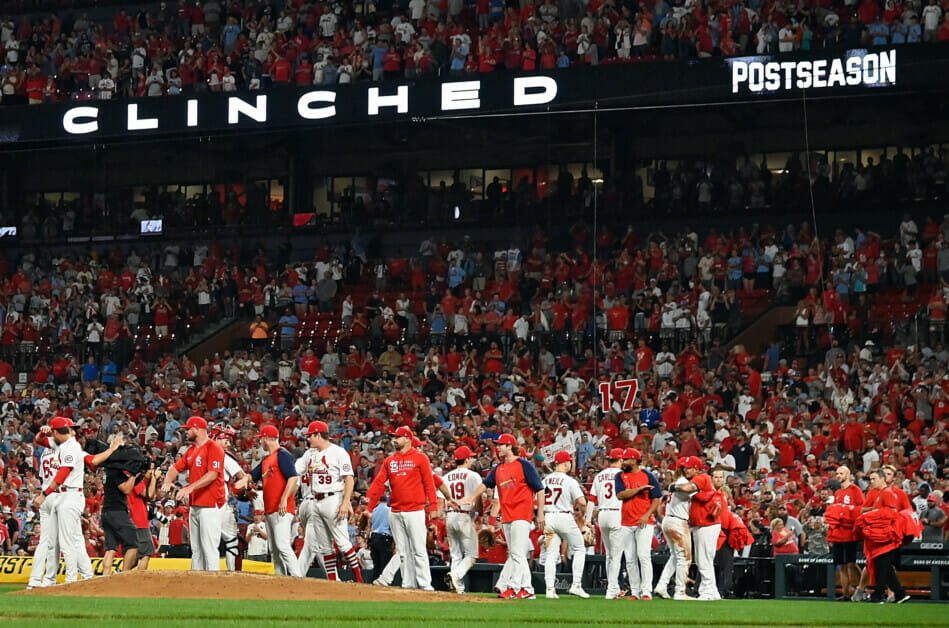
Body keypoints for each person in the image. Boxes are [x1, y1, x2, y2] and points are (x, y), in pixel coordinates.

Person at [28, 422, 123, 587]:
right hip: (60, 494)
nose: (74, 432)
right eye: (71, 429)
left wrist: (43, 433)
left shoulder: (56, 447)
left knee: (56, 541)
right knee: (68, 540)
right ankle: (76, 577)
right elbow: (91, 461)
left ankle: (46, 579)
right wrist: (111, 449)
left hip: (59, 494)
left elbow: (39, 440)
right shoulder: (67, 447)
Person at [466, 433, 545, 600]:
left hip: (522, 514)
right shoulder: (499, 468)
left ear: (510, 446)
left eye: (501, 444)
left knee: (517, 553)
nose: (498, 447)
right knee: (516, 553)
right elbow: (485, 484)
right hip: (507, 516)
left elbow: (540, 489)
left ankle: (513, 587)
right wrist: (471, 497)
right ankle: (527, 589)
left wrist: (540, 513)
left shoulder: (524, 465)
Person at [366, 426, 439, 590]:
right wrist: (369, 506)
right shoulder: (389, 461)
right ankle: (408, 583)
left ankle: (425, 584)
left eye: (397, 437)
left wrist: (434, 506)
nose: (394, 440)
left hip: (415, 510)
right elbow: (379, 483)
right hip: (395, 511)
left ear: (407, 438)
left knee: (419, 549)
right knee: (403, 551)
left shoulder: (420, 458)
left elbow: (429, 483)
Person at [295, 420, 362, 582]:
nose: (308, 439)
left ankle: (360, 580)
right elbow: (295, 470)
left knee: (343, 543)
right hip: (315, 501)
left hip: (333, 499)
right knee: (325, 547)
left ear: (318, 435)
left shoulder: (338, 452)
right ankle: (333, 582)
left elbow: (349, 479)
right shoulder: (310, 453)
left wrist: (345, 503)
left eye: (310, 436)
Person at [161, 416, 227, 571]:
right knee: (196, 549)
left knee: (209, 548)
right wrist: (168, 480)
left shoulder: (213, 447)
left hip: (211, 504)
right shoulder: (191, 450)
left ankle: (213, 581)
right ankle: (196, 581)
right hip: (195, 504)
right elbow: (175, 468)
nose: (186, 432)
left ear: (197, 429)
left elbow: (212, 474)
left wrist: (189, 488)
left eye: (188, 429)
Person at [241, 424, 301, 577]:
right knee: (274, 549)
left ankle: (298, 578)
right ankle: (280, 579)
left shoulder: (282, 454)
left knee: (282, 545)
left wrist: (284, 499)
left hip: (282, 509)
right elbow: (252, 476)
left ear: (266, 438)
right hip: (270, 509)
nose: (260, 441)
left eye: (261, 438)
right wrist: (245, 484)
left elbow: (293, 478)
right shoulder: (267, 459)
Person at [854, 470, 912, 604]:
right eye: (870, 479)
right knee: (883, 567)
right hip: (880, 536)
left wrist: (874, 514)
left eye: (874, 479)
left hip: (886, 537)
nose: (871, 482)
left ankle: (879, 595)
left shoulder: (887, 493)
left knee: (883, 567)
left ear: (882, 479)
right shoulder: (880, 493)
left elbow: (892, 513)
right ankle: (898, 594)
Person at [541, 450, 590, 599]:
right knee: (579, 548)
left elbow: (538, 499)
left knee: (551, 555)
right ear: (565, 463)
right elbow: (582, 502)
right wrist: (584, 516)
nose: (570, 464)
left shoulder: (545, 480)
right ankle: (576, 585)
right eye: (569, 461)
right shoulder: (569, 481)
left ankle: (550, 589)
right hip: (564, 516)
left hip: (549, 517)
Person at [616, 447, 662, 601]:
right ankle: (635, 591)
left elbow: (656, 498)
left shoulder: (648, 475)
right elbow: (620, 495)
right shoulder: (620, 476)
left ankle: (646, 591)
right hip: (626, 521)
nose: (623, 462)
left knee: (643, 556)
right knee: (630, 559)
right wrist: (639, 489)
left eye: (626, 459)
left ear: (635, 460)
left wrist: (647, 515)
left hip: (644, 521)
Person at [654, 456, 701, 600]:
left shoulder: (677, 481)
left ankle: (662, 585)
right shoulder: (683, 482)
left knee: (675, 556)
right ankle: (680, 591)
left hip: (669, 520)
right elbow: (694, 491)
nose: (686, 470)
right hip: (678, 522)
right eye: (685, 468)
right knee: (684, 558)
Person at [442, 445, 483, 594]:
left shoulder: (447, 476)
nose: (471, 460)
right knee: (472, 555)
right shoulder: (473, 475)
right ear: (466, 459)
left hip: (450, 515)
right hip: (464, 515)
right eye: (470, 458)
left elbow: (442, 499)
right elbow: (478, 498)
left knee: (456, 554)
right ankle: (455, 575)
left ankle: (457, 588)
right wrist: (480, 513)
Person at [586, 447, 625, 599]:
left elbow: (591, 500)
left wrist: (588, 520)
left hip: (603, 515)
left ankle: (613, 586)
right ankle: (612, 588)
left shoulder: (600, 475)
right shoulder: (623, 474)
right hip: (617, 513)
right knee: (616, 555)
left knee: (609, 554)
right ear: (620, 459)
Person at [100, 435, 141, 575]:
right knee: (133, 545)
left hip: (107, 512)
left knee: (111, 548)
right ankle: (124, 576)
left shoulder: (109, 468)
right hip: (117, 511)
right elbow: (126, 489)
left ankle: (104, 578)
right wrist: (133, 474)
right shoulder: (115, 470)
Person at [211, 424, 247, 571]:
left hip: (208, 502)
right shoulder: (223, 456)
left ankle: (207, 573)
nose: (228, 444)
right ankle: (231, 573)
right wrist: (238, 488)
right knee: (230, 540)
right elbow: (243, 476)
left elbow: (242, 478)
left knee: (208, 541)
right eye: (226, 440)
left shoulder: (201, 453)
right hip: (220, 502)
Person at [825, 466, 863, 600]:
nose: (838, 475)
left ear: (848, 474)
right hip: (838, 534)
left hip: (850, 533)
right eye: (837, 473)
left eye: (841, 473)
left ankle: (862, 589)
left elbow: (862, 508)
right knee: (842, 565)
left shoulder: (855, 490)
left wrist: (849, 510)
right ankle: (845, 594)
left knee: (851, 563)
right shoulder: (837, 493)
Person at [689, 461, 725, 601]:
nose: (718, 480)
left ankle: (708, 591)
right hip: (704, 526)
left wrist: (693, 491)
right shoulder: (713, 491)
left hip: (707, 526)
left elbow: (700, 497)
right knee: (704, 560)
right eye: (716, 477)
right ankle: (712, 590)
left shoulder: (713, 492)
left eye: (721, 477)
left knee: (704, 560)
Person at [128, 461, 159, 570]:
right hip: (139, 522)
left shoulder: (136, 480)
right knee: (147, 553)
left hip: (135, 521)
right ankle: (140, 577)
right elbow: (149, 494)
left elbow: (153, 496)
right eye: (151, 469)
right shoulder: (136, 481)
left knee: (137, 555)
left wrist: (151, 480)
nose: (152, 472)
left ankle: (121, 573)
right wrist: (154, 478)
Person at [369, 496, 393, 582]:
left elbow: (371, 524)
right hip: (384, 538)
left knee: (376, 565)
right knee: (385, 565)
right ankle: (381, 582)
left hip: (374, 537)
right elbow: (391, 525)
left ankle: (373, 584)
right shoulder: (389, 510)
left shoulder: (374, 510)